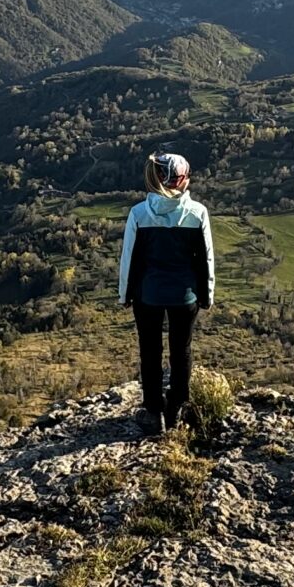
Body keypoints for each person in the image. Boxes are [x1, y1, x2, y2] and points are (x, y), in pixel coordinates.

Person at [117, 150, 216, 435]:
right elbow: (205, 258)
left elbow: (129, 259)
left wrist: (125, 295)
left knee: (150, 351)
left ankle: (153, 412)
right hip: (185, 296)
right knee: (181, 350)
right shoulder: (197, 213)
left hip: (148, 295)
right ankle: (178, 408)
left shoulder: (138, 214)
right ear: (181, 180)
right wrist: (206, 294)